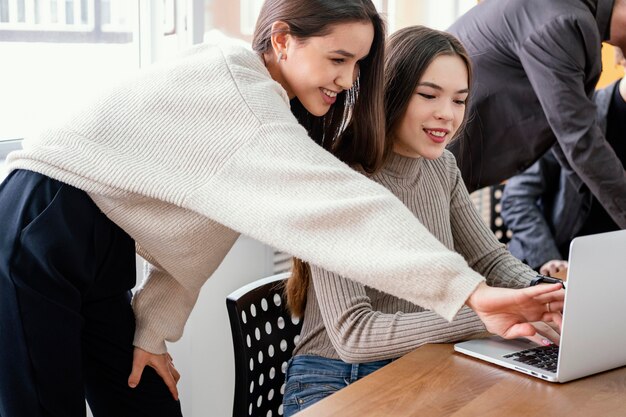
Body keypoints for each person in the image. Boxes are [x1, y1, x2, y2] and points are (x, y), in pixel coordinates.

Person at [0, 1, 563, 416]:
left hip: (103, 238)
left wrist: (151, 331)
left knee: (141, 394)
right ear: (284, 39)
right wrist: (468, 293)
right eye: (337, 58)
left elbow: (198, 237)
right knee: (41, 404)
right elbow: (343, 208)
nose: (347, 80)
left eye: (357, 65)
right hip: (45, 217)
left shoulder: (265, 118)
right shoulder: (237, 91)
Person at [282, 26, 562, 417]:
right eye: (428, 95)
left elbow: (490, 262)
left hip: (420, 364)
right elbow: (353, 336)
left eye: (459, 100)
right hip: (335, 380)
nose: (447, 115)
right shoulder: (340, 177)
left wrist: (547, 293)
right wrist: (483, 317)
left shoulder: (441, 166)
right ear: (389, 93)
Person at [447, 0, 626, 229]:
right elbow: (578, 139)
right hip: (423, 166)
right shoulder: (561, 20)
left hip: (443, 169)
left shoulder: (568, 13)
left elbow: (566, 135)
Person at [501, 47, 626, 277]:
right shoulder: (573, 116)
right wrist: (549, 259)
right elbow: (517, 197)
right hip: (557, 262)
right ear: (623, 58)